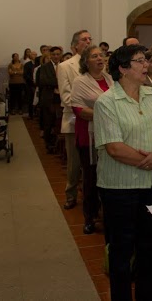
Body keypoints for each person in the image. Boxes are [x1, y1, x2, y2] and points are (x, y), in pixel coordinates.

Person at [93, 44, 152, 301]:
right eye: (140, 61)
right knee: (121, 251)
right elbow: (115, 148)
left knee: (150, 249)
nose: (147, 65)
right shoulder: (107, 102)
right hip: (119, 187)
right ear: (122, 68)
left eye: (146, 60)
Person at [70, 45, 114, 235]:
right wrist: (106, 114)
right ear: (86, 61)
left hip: (110, 134)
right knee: (91, 178)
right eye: (94, 56)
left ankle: (107, 214)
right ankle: (89, 217)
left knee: (108, 176)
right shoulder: (80, 81)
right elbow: (78, 109)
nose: (99, 59)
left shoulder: (110, 79)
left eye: (101, 55)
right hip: (89, 136)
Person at [57, 30, 93, 210]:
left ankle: (90, 195)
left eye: (90, 39)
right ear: (75, 45)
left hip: (95, 119)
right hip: (74, 118)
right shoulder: (65, 66)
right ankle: (71, 194)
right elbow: (66, 96)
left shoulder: (96, 65)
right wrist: (84, 110)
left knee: (91, 162)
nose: (88, 42)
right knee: (74, 162)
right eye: (84, 39)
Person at [37, 46, 62, 152]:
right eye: (54, 54)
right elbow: (44, 81)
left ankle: (58, 145)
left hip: (61, 98)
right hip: (49, 98)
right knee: (48, 122)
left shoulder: (64, 66)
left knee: (59, 122)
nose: (56, 56)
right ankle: (49, 145)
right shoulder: (44, 67)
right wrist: (59, 83)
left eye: (58, 54)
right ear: (50, 55)